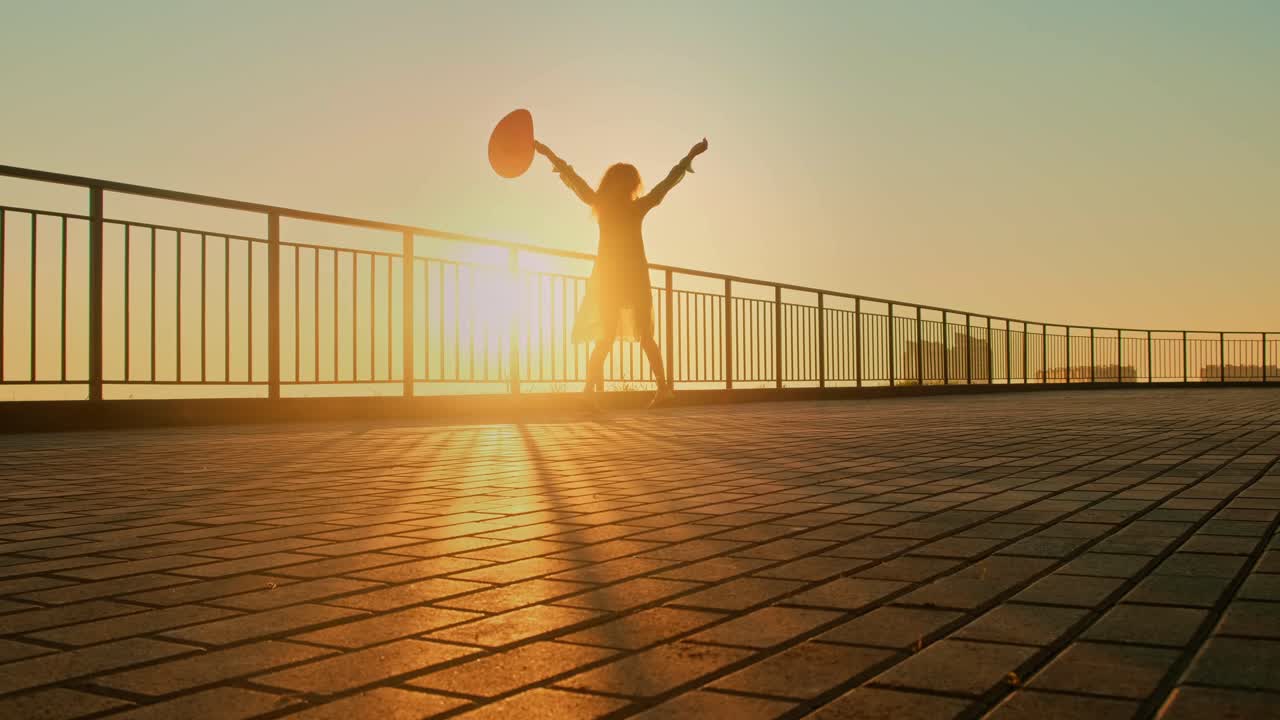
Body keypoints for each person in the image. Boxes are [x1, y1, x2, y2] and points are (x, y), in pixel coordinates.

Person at [534, 137, 709, 409]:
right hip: (628, 278)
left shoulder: (606, 204)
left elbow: (572, 178)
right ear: (629, 184)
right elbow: (666, 183)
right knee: (634, 336)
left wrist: (548, 154)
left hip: (614, 278)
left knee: (619, 336)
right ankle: (654, 390)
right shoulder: (632, 207)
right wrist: (690, 156)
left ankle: (596, 391)